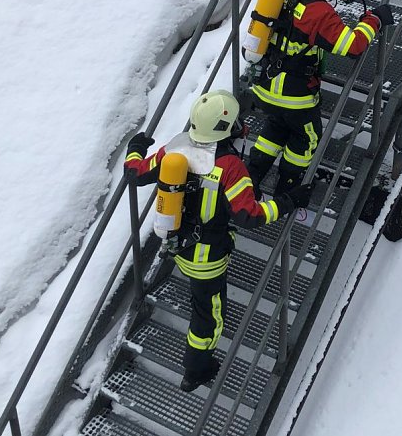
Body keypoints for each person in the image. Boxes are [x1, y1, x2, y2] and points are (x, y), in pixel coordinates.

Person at [124, 90, 312, 392]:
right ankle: (197, 369)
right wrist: (289, 201)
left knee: (201, 303)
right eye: (236, 122)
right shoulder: (230, 167)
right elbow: (248, 216)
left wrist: (135, 148)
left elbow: (135, 174)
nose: (241, 126)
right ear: (227, 127)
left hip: (178, 246)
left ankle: (197, 361)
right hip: (207, 260)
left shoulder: (175, 148)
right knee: (209, 316)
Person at [246, 0, 395, 197]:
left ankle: (252, 179)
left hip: (266, 85)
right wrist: (375, 20)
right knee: (306, 138)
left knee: (275, 128)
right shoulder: (317, 11)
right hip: (295, 97)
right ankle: (287, 190)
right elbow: (352, 46)